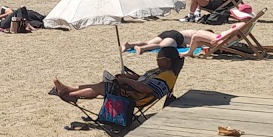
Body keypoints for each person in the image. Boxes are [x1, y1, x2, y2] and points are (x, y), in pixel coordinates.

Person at [48, 47, 181, 107]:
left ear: (168, 60)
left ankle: (69, 93)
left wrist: (126, 80)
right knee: (103, 85)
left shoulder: (167, 75)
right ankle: (69, 91)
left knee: (102, 87)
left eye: (159, 58)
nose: (157, 60)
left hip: (136, 97)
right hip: (134, 90)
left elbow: (146, 88)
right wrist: (132, 76)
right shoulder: (161, 70)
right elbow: (143, 79)